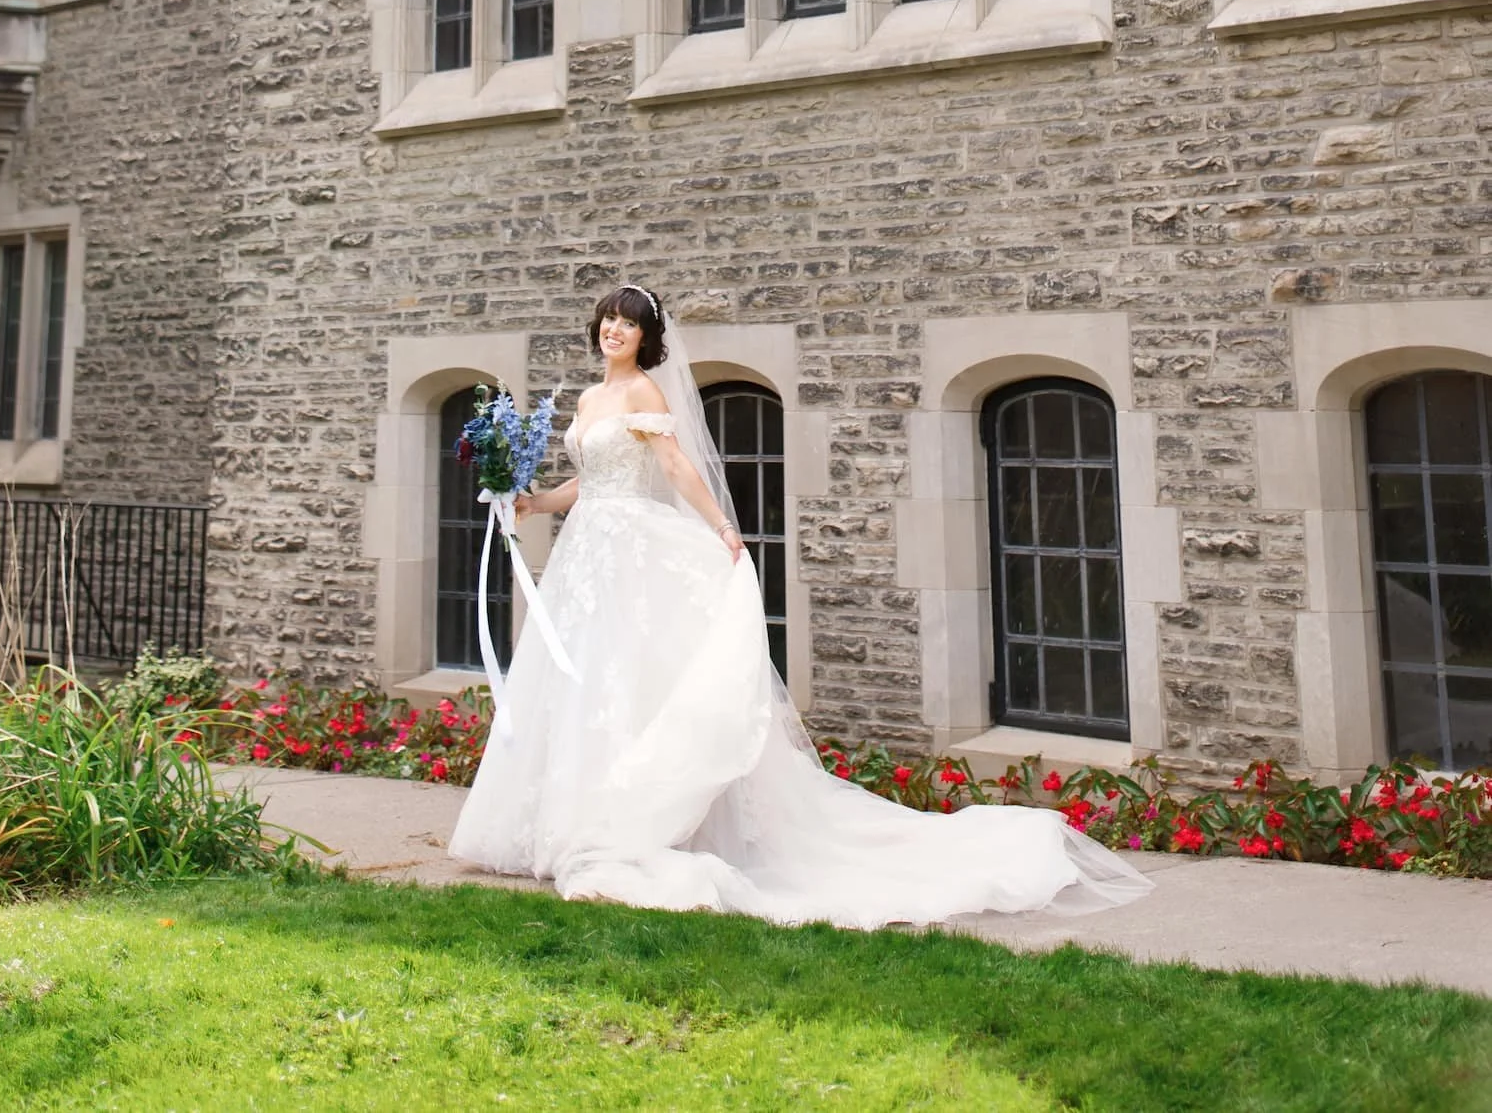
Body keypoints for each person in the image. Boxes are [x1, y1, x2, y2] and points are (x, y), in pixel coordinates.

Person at [449, 283, 1150, 927]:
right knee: (582, 683)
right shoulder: (587, 401)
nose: (615, 331)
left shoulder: (642, 396)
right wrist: (534, 500)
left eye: (629, 324)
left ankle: (629, 824)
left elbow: (672, 466)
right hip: (586, 554)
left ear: (645, 338)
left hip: (630, 546)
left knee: (630, 679)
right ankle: (564, 818)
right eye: (609, 320)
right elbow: (587, 478)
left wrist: (722, 527)